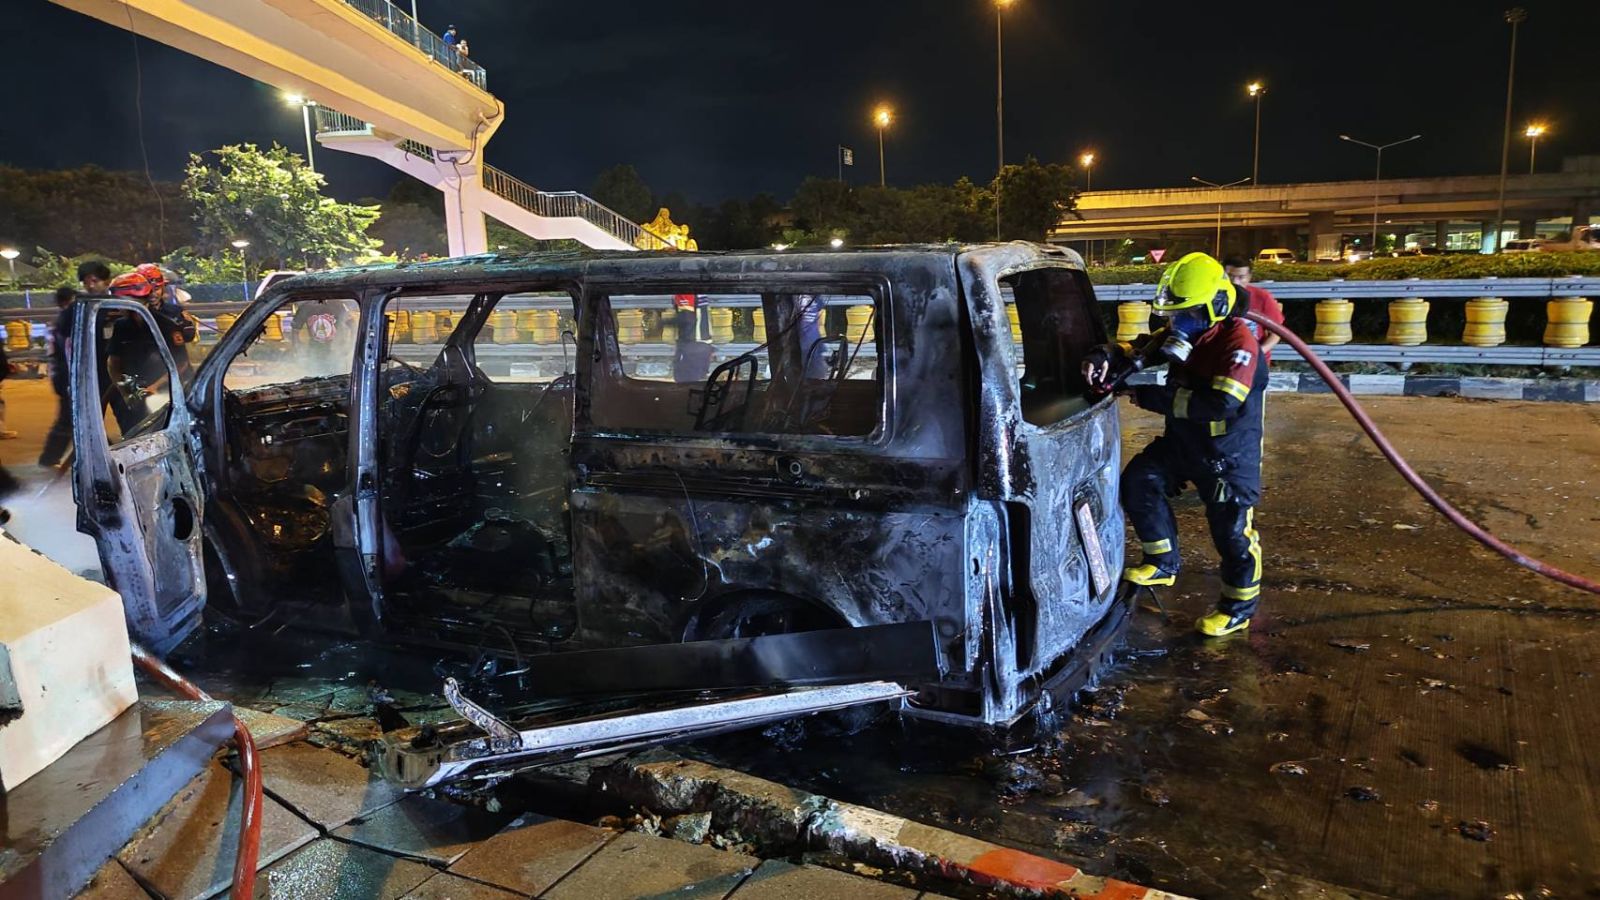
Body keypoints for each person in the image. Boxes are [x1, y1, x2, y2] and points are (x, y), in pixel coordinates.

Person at [1082, 252, 1267, 637]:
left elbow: (1219, 404)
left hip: (1227, 454)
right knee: (1139, 481)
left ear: (1217, 305)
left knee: (1231, 531)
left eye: (1189, 314)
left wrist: (1144, 395)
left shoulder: (1239, 344)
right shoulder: (1190, 329)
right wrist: (1105, 358)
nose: (1179, 324)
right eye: (1175, 315)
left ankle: (1237, 608)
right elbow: (1140, 350)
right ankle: (1162, 562)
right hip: (1184, 442)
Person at [38, 286, 79, 467]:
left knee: (73, 418)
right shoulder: (65, 322)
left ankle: (49, 457)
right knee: (68, 419)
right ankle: (48, 458)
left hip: (62, 375)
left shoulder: (60, 322)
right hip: (65, 376)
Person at [1222, 256, 1284, 365]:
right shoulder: (1216, 297)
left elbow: (1276, 333)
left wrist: (1258, 353)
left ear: (1249, 277)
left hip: (1255, 361)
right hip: (1223, 357)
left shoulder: (1262, 297)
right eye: (1230, 276)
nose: (1235, 282)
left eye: (1241, 277)